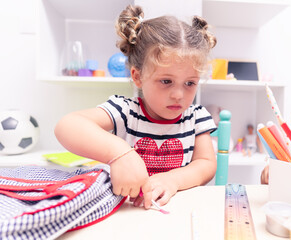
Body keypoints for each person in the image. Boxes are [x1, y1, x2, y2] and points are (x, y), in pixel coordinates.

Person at [54, 5, 217, 209]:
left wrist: (173, 180)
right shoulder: (125, 111)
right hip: (125, 213)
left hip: (174, 213)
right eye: (166, 81)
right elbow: (67, 125)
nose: (179, 95)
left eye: (190, 83)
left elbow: (206, 164)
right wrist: (120, 152)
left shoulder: (196, 117)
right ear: (137, 77)